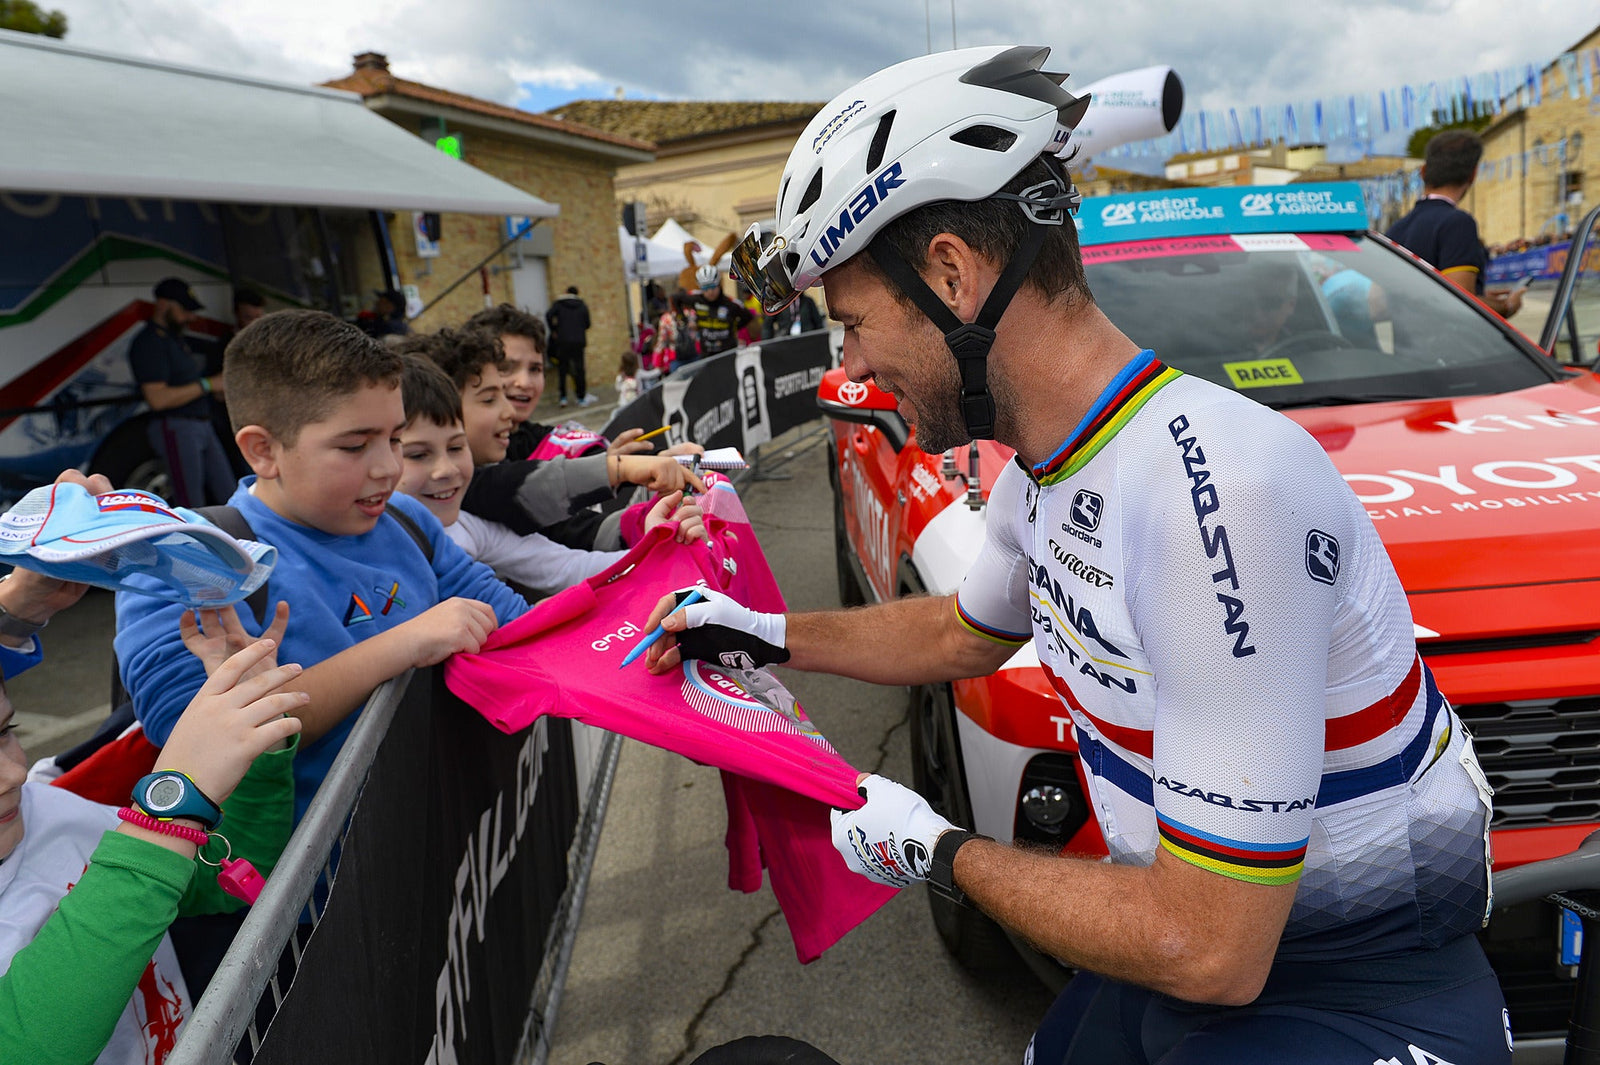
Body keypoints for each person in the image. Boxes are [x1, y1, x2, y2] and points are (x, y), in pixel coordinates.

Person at [645, 45, 1509, 1064]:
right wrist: (759, 633)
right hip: (1189, 960)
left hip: (1343, 990)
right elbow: (962, 631)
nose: (852, 365)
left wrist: (936, 850)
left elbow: (1210, 947)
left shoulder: (1215, 497)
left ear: (950, 275)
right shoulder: (1049, 471)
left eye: (854, 325)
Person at [115, 310, 530, 830]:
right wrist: (401, 645)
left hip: (441, 844)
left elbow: (519, 621)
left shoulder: (406, 519)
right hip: (320, 894)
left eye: (395, 439)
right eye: (355, 446)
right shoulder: (185, 557)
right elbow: (187, 741)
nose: (388, 467)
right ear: (262, 450)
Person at [0, 490, 302, 1063]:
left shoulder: (54, 815)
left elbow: (225, 878)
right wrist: (170, 807)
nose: (15, 771)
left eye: (6, 732)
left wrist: (257, 739)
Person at [394, 353, 702, 600]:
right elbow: (514, 487)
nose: (510, 410)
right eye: (419, 454)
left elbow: (563, 567)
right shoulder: (379, 539)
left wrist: (652, 546)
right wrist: (621, 469)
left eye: (456, 447)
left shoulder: (469, 523)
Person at [1386, 130, 1522, 318]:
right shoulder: (1457, 223)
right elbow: (1460, 303)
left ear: (1423, 172)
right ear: (1473, 175)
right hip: (1446, 344)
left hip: (1405, 343)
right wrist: (1506, 306)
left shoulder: (1395, 229)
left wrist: (1481, 297)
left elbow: (1381, 305)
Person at [128, 277, 234, 507]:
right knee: (190, 501)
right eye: (185, 310)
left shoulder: (175, 339)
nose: (190, 317)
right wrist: (207, 385)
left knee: (229, 493)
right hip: (176, 426)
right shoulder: (149, 342)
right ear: (164, 304)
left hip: (202, 423)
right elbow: (157, 398)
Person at [690, 265, 753, 361]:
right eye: (705, 288)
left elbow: (748, 316)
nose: (710, 292)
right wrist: (683, 318)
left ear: (719, 284)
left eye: (713, 286)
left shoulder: (731, 303)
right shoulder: (696, 299)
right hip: (706, 355)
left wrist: (734, 327)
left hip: (727, 354)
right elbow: (675, 299)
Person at [546, 285, 594, 407]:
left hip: (563, 341)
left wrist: (554, 330)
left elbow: (548, 315)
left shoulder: (559, 304)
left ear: (566, 292)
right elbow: (588, 324)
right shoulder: (582, 306)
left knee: (563, 369)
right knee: (579, 370)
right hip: (579, 341)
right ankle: (581, 397)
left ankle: (563, 397)